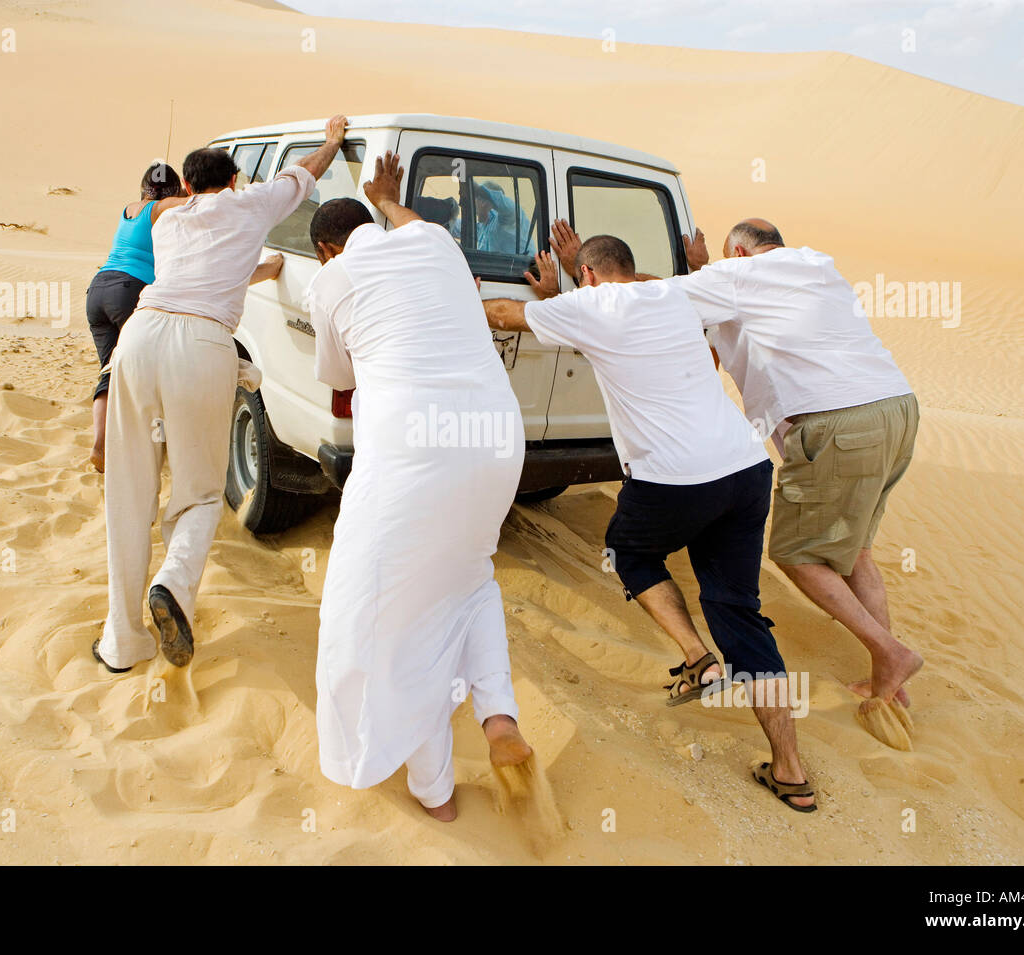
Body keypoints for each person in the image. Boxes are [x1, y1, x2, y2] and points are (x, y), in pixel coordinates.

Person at [485, 235, 818, 812]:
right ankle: (790, 769)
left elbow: (503, 314)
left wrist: (448, 291)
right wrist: (566, 291)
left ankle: (696, 655)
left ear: (586, 274)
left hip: (674, 476)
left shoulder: (587, 307)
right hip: (745, 466)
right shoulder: (674, 294)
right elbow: (630, 298)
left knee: (630, 553)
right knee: (737, 609)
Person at [304, 152, 533, 822]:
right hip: (496, 439)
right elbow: (407, 221)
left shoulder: (333, 279)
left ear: (325, 250)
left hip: (413, 455)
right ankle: (497, 715)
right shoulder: (434, 240)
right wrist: (385, 194)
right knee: (466, 579)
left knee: (376, 621)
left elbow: (338, 377)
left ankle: (433, 789)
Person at [93, 115, 349, 674]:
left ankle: (122, 642)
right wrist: (331, 142)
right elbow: (305, 172)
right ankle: (174, 583)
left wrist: (257, 269)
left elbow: (202, 265)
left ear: (186, 188)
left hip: (140, 335)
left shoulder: (165, 218)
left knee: (129, 489)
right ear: (234, 181)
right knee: (201, 494)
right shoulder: (251, 203)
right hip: (202, 345)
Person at [676, 220, 923, 713]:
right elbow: (734, 310)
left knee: (795, 553)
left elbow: (653, 300)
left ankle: (891, 654)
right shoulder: (814, 265)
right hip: (896, 410)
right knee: (857, 554)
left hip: (837, 424)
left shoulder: (743, 277)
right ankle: (887, 681)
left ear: (741, 254)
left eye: (729, 261)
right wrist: (705, 270)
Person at [84, 162, 185, 473]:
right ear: (172, 190)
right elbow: (195, 203)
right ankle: (151, 443)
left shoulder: (130, 208)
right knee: (150, 369)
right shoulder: (159, 209)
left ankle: (100, 444)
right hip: (129, 291)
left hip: (98, 290)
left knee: (109, 372)